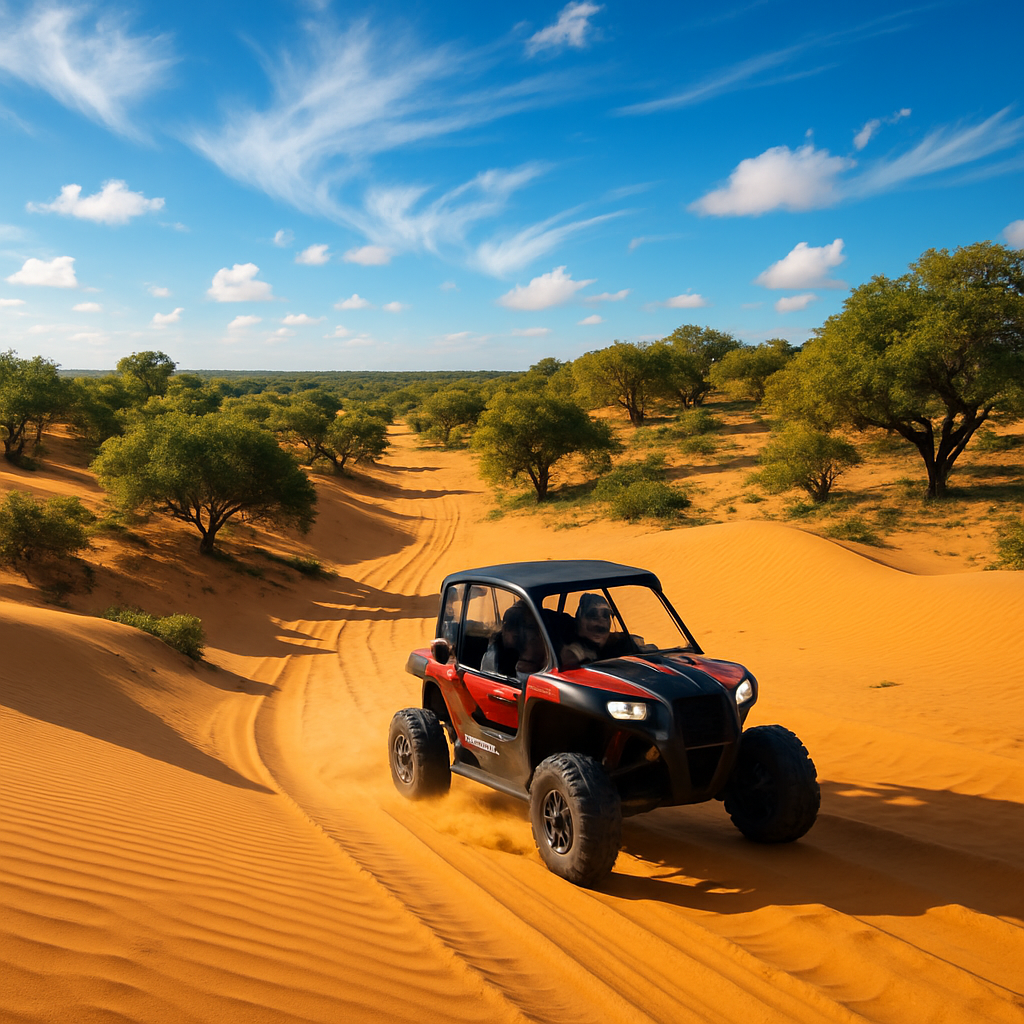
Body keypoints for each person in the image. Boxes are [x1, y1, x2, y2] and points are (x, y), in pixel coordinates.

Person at [561, 592, 633, 665]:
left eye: (605, 615)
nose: (601, 622)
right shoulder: (574, 654)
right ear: (580, 621)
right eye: (592, 615)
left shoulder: (621, 643)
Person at [480, 603, 524, 677]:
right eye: (512, 628)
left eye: (522, 629)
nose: (517, 633)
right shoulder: (493, 654)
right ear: (504, 629)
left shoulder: (529, 648)